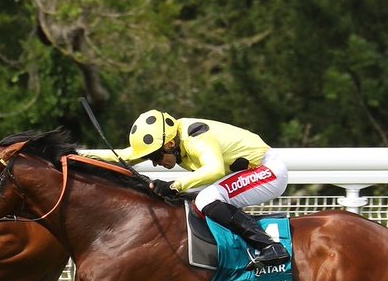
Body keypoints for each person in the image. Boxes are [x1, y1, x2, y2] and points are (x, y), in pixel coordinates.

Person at [86, 109, 290, 271]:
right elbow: (124, 156)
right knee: (196, 200)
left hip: (267, 170)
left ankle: (270, 246)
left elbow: (214, 168)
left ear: (171, 144)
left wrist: (174, 185)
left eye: (156, 157)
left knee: (206, 199)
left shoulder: (195, 137)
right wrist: (77, 156)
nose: (155, 164)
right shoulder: (169, 141)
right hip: (245, 172)